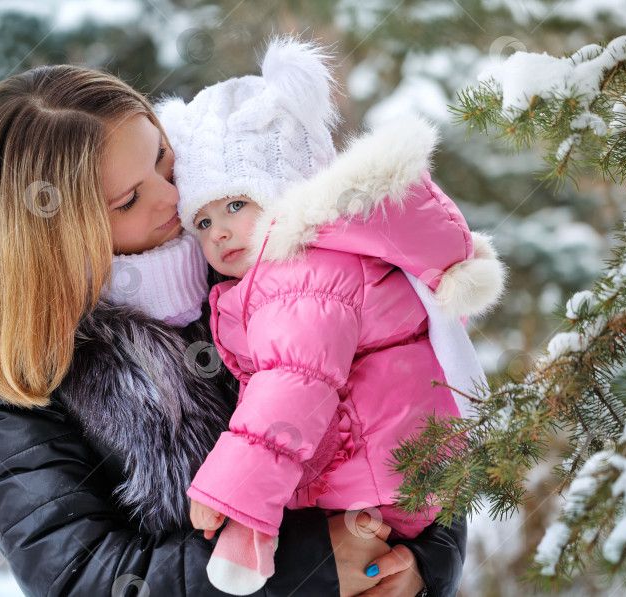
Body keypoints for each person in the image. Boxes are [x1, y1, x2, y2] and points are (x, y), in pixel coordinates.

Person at [0, 60, 469, 596]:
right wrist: (312, 567)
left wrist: (420, 562)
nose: (172, 196)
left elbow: (415, 403)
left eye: (162, 158)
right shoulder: (6, 368)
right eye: (129, 199)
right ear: (54, 234)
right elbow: (76, 576)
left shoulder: (256, 251)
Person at [155, 39, 505, 595]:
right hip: (395, 473)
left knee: (249, 505)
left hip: (371, 476)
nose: (217, 231)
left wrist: (234, 490)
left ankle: (248, 534)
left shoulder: (299, 272)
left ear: (286, 192)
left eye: (237, 204)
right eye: (201, 220)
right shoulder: (305, 266)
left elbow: (293, 385)